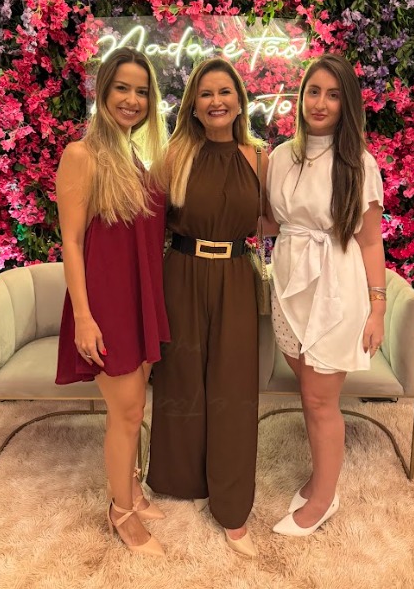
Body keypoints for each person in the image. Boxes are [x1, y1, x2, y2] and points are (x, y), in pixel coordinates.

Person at [147, 57, 270, 558]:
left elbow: (270, 220)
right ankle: (181, 481)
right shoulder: (174, 155)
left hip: (237, 275)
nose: (216, 101)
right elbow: (148, 226)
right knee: (180, 378)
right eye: (205, 93)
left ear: (239, 100)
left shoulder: (259, 156)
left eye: (224, 91)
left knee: (233, 387)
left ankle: (232, 507)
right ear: (193, 106)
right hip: (180, 272)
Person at [55, 47, 170, 556]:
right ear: (102, 91)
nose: (132, 99)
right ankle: (120, 511)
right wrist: (83, 317)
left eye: (141, 91)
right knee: (126, 411)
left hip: (138, 300)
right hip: (105, 306)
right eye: (122, 88)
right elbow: (72, 241)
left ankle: (132, 490)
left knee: (133, 408)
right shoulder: (82, 155)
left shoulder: (136, 155)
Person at [267, 53, 385, 537]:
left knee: (320, 400)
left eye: (333, 95)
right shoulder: (281, 156)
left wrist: (378, 308)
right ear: (300, 98)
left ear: (346, 104)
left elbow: (371, 241)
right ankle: (322, 478)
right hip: (288, 286)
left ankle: (323, 499)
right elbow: (270, 221)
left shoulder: (359, 163)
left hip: (336, 290)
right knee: (309, 391)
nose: (320, 103)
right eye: (313, 91)